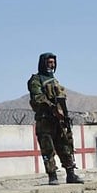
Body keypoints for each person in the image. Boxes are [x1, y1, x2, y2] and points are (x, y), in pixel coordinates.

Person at [27, 52, 84, 185]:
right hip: (45, 120)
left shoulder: (55, 81)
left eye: (53, 62)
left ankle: (71, 173)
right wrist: (53, 109)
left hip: (58, 121)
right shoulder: (36, 80)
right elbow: (38, 97)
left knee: (65, 145)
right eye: (49, 62)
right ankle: (52, 175)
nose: (51, 65)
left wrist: (63, 115)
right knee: (48, 148)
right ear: (43, 63)